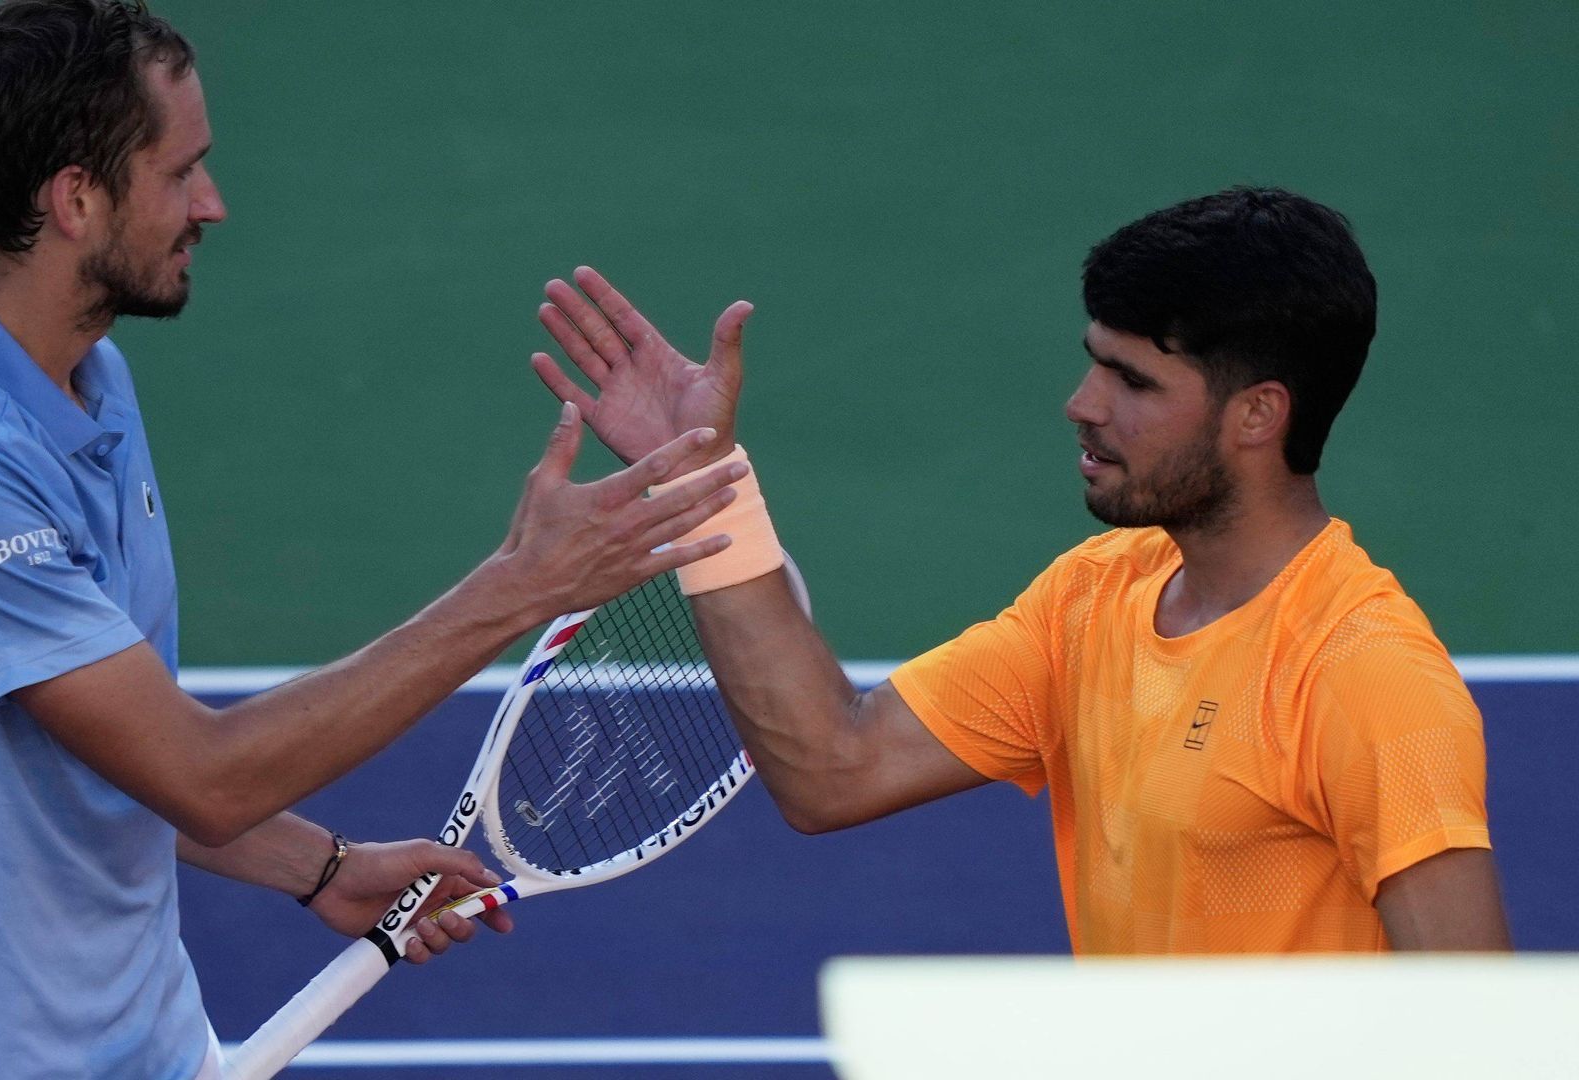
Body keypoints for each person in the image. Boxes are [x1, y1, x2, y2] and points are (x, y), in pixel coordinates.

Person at [0, 2, 746, 1076]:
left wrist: (319, 866)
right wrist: (522, 587)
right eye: (179, 173)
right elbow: (199, 775)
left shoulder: (90, 382)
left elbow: (109, 755)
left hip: (149, 1047)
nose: (214, 203)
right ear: (74, 198)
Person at [530, 187, 1511, 953]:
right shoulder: (1095, 598)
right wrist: (709, 488)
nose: (1081, 404)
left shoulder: (1363, 675)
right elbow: (835, 768)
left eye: (1132, 381)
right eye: (1096, 362)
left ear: (1258, 414)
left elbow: (1479, 1042)